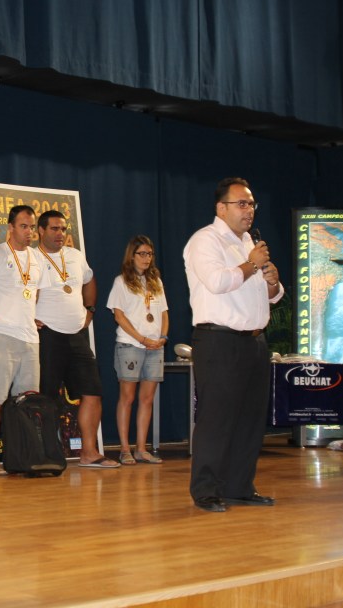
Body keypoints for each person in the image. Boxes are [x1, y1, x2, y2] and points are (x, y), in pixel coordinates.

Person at [183, 177, 283, 512]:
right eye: (241, 203)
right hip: (219, 340)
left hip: (254, 341)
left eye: (252, 204)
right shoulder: (205, 241)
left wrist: (272, 283)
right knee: (217, 418)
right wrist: (253, 264)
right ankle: (206, 490)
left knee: (250, 419)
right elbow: (217, 281)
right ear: (220, 208)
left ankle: (240, 486)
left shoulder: (248, 244)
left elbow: (269, 297)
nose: (249, 210)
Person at [36, 210, 117, 468]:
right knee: (47, 397)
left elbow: (89, 280)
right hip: (47, 335)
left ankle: (90, 452)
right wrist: (29, 318)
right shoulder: (31, 258)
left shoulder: (75, 255)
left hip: (77, 336)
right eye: (54, 229)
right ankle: (47, 454)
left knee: (93, 392)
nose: (60, 234)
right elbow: (22, 291)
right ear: (40, 230)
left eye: (63, 229)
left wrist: (90, 310)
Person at [0, 205, 42, 476]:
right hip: (2, 333)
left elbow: (33, 294)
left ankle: (22, 455)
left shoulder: (36, 258)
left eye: (32, 227)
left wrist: (31, 317)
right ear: (11, 227)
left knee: (27, 401)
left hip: (30, 338)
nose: (29, 232)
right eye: (24, 226)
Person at [106, 235, 169, 466]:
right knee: (128, 397)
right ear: (131, 256)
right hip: (130, 345)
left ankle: (142, 448)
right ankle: (125, 448)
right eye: (141, 254)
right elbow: (118, 315)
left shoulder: (156, 282)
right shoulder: (121, 281)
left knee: (147, 398)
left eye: (150, 254)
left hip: (155, 347)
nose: (146, 258)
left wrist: (162, 337)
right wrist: (141, 338)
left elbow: (163, 313)